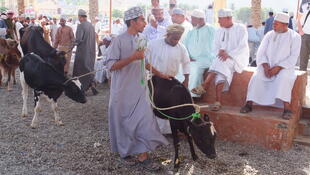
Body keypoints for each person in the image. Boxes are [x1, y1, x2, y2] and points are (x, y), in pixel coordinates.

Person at [105, 6, 168, 171]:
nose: (145, 22)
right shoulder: (118, 40)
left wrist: (160, 74)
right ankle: (125, 152)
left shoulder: (142, 38)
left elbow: (144, 62)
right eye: (142, 19)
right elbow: (111, 66)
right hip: (122, 90)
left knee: (144, 119)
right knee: (124, 122)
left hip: (139, 89)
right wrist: (132, 57)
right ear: (132, 22)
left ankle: (143, 155)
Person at [240, 13, 301, 120]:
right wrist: (265, 66)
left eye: (276, 24)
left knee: (284, 78)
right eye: (274, 23)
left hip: (285, 67)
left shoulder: (295, 37)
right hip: (266, 66)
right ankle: (249, 104)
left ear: (285, 24)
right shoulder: (269, 34)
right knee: (256, 77)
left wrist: (278, 67)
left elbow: (293, 57)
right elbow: (261, 52)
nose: (273, 26)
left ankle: (287, 108)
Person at [191, 9, 249, 111]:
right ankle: (217, 101)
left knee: (220, 62)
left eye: (220, 19)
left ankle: (205, 84)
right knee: (221, 68)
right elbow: (215, 46)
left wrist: (229, 54)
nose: (218, 21)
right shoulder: (219, 30)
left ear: (229, 18)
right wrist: (220, 52)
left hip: (237, 58)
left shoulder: (241, 28)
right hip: (223, 60)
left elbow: (242, 46)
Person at [146, 24, 191, 134]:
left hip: (170, 80)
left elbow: (186, 63)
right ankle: (151, 130)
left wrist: (186, 80)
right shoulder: (153, 44)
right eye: (174, 38)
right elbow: (145, 62)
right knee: (152, 103)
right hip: (153, 79)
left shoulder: (181, 48)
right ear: (168, 34)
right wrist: (160, 74)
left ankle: (167, 131)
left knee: (168, 104)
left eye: (178, 39)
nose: (176, 41)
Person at [184, 9, 216, 98]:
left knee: (195, 69)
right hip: (191, 59)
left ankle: (191, 96)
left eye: (193, 18)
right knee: (180, 69)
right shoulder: (191, 31)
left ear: (200, 19)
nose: (191, 20)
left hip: (206, 59)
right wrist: (187, 56)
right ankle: (181, 95)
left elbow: (217, 45)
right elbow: (185, 45)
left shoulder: (211, 29)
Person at [72, 9, 98, 95]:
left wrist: (73, 43)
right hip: (91, 51)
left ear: (81, 17)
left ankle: (82, 89)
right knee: (89, 68)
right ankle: (92, 84)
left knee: (80, 70)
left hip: (82, 52)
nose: (79, 19)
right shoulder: (91, 26)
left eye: (79, 17)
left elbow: (79, 39)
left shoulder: (81, 26)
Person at [298, 0, 310, 71]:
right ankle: (303, 81)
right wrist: (300, 31)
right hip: (305, 35)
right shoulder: (304, 1)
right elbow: (299, 18)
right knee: (303, 63)